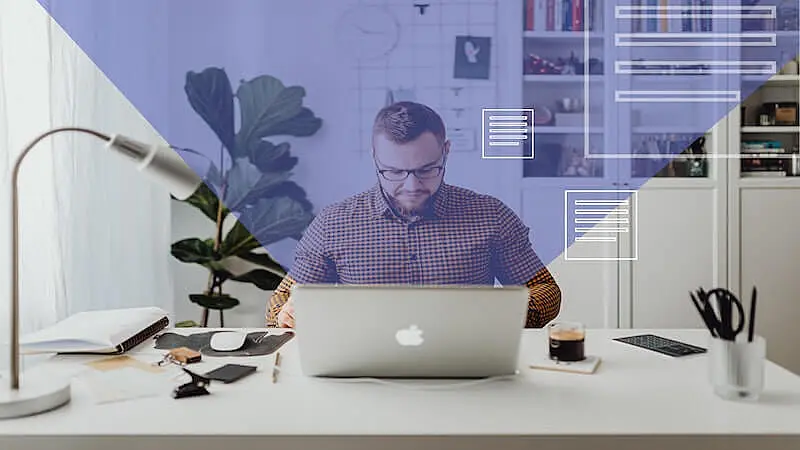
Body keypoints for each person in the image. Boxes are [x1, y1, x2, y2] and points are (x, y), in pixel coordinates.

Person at [265, 101, 561, 328]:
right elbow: (281, 301)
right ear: (374, 157)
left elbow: (546, 290)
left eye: (425, 170)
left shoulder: (490, 216)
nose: (411, 185)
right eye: (393, 171)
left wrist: (504, 316)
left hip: (469, 370)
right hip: (363, 376)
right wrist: (287, 314)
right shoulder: (334, 224)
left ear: (445, 152)